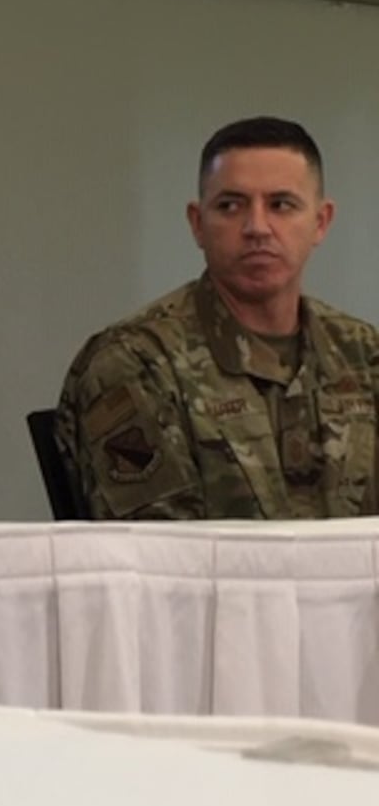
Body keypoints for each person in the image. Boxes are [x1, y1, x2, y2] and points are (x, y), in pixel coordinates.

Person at [56, 115, 379, 520]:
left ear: (320, 222)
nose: (257, 227)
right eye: (230, 206)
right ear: (198, 225)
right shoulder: (135, 363)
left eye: (281, 205)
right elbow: (163, 561)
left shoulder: (364, 355)